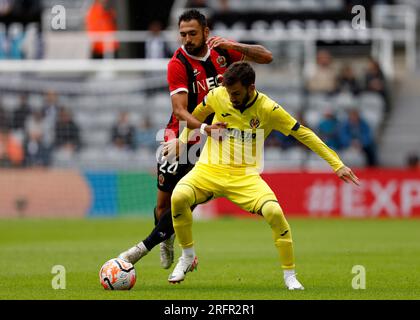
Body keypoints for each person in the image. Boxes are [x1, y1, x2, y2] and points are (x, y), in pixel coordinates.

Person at [163, 61, 359, 289]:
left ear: (251, 87)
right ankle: (187, 256)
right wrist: (182, 140)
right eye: (229, 92)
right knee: (178, 197)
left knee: (274, 212)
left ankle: (290, 276)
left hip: (245, 177)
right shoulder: (218, 95)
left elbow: (303, 134)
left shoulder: (268, 109)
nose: (232, 97)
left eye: (236, 93)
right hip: (209, 169)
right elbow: (194, 116)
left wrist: (337, 165)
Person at [118, 9, 273, 269]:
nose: (187, 39)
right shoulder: (178, 64)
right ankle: (165, 239)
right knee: (162, 204)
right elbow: (179, 111)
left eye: (192, 33)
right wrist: (202, 128)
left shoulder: (223, 52)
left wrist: (233, 44)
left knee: (187, 197)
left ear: (205, 32)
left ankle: (171, 249)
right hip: (179, 133)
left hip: (216, 139)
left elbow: (266, 57)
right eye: (182, 34)